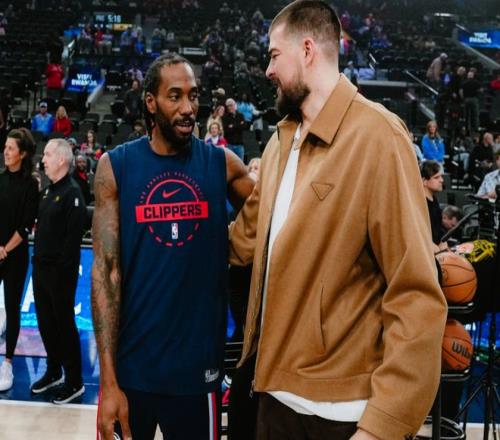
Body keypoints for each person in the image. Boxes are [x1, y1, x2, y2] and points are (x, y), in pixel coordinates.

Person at [228, 2, 447, 440]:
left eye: (274, 55)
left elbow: (415, 294)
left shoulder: (379, 136)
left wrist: (382, 425)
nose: (268, 70)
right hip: (270, 397)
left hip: (340, 415)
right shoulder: (278, 144)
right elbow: (241, 245)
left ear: (307, 50)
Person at [91, 54, 254, 440]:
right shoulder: (116, 167)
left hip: (197, 374)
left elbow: (274, 223)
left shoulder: (222, 165)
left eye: (193, 96)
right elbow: (106, 274)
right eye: (175, 96)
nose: (187, 108)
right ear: (151, 102)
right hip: (131, 372)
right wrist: (108, 383)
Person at [30, 138, 86, 404]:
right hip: (40, 270)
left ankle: (74, 381)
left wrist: (59, 273)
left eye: (48, 155)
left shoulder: (73, 193)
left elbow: (71, 243)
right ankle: (53, 372)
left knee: (63, 325)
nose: (43, 160)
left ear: (62, 159)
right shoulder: (46, 192)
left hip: (59, 274)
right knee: (46, 324)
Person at [0, 128, 38, 392]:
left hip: (16, 255)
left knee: (13, 308)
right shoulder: (0, 179)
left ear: (22, 154)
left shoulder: (30, 185)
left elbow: (26, 225)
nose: (6, 152)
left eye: (11, 148)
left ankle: (8, 363)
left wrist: (4, 249)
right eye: (5, 147)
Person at [421, 160, 446, 247]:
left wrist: (443, 242)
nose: (441, 180)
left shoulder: (434, 200)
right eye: (436, 177)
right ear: (424, 181)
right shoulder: (421, 204)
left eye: (441, 176)